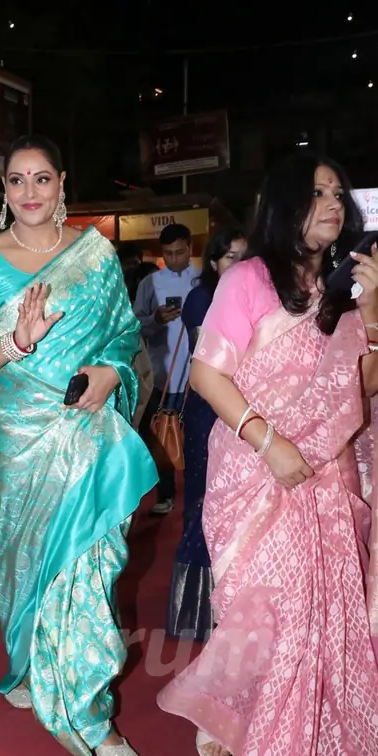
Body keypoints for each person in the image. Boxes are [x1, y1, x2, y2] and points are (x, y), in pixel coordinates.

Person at [156, 153, 378, 756]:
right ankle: (238, 710)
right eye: (316, 191)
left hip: (324, 478)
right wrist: (269, 440)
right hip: (255, 468)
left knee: (312, 612)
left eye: (338, 192)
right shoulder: (249, 279)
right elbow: (210, 378)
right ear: (283, 201)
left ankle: (277, 744)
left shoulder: (342, 288)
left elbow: (366, 388)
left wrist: (370, 311)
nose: (332, 202)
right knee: (259, 605)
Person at [0, 135, 157, 756]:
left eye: (41, 179)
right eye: (16, 181)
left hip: (85, 427)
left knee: (90, 561)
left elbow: (124, 337)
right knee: (23, 564)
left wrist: (113, 375)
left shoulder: (96, 256)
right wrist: (16, 344)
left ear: (62, 183)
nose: (30, 192)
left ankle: (88, 709)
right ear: (3, 192)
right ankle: (35, 668)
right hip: (17, 438)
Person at [167, 226, 247, 642]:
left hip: (243, 409)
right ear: (214, 262)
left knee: (238, 505)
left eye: (244, 256)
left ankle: (233, 603)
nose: (238, 264)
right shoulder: (202, 298)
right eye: (230, 256)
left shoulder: (252, 293)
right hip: (208, 408)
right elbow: (213, 362)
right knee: (202, 499)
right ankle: (193, 610)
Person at [134, 224, 201, 514]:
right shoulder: (150, 283)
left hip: (198, 375)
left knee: (197, 438)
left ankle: (199, 494)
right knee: (162, 439)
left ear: (190, 248)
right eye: (168, 253)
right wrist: (155, 320)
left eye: (180, 252)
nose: (174, 258)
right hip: (162, 374)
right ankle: (166, 494)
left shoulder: (202, 279)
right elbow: (134, 325)